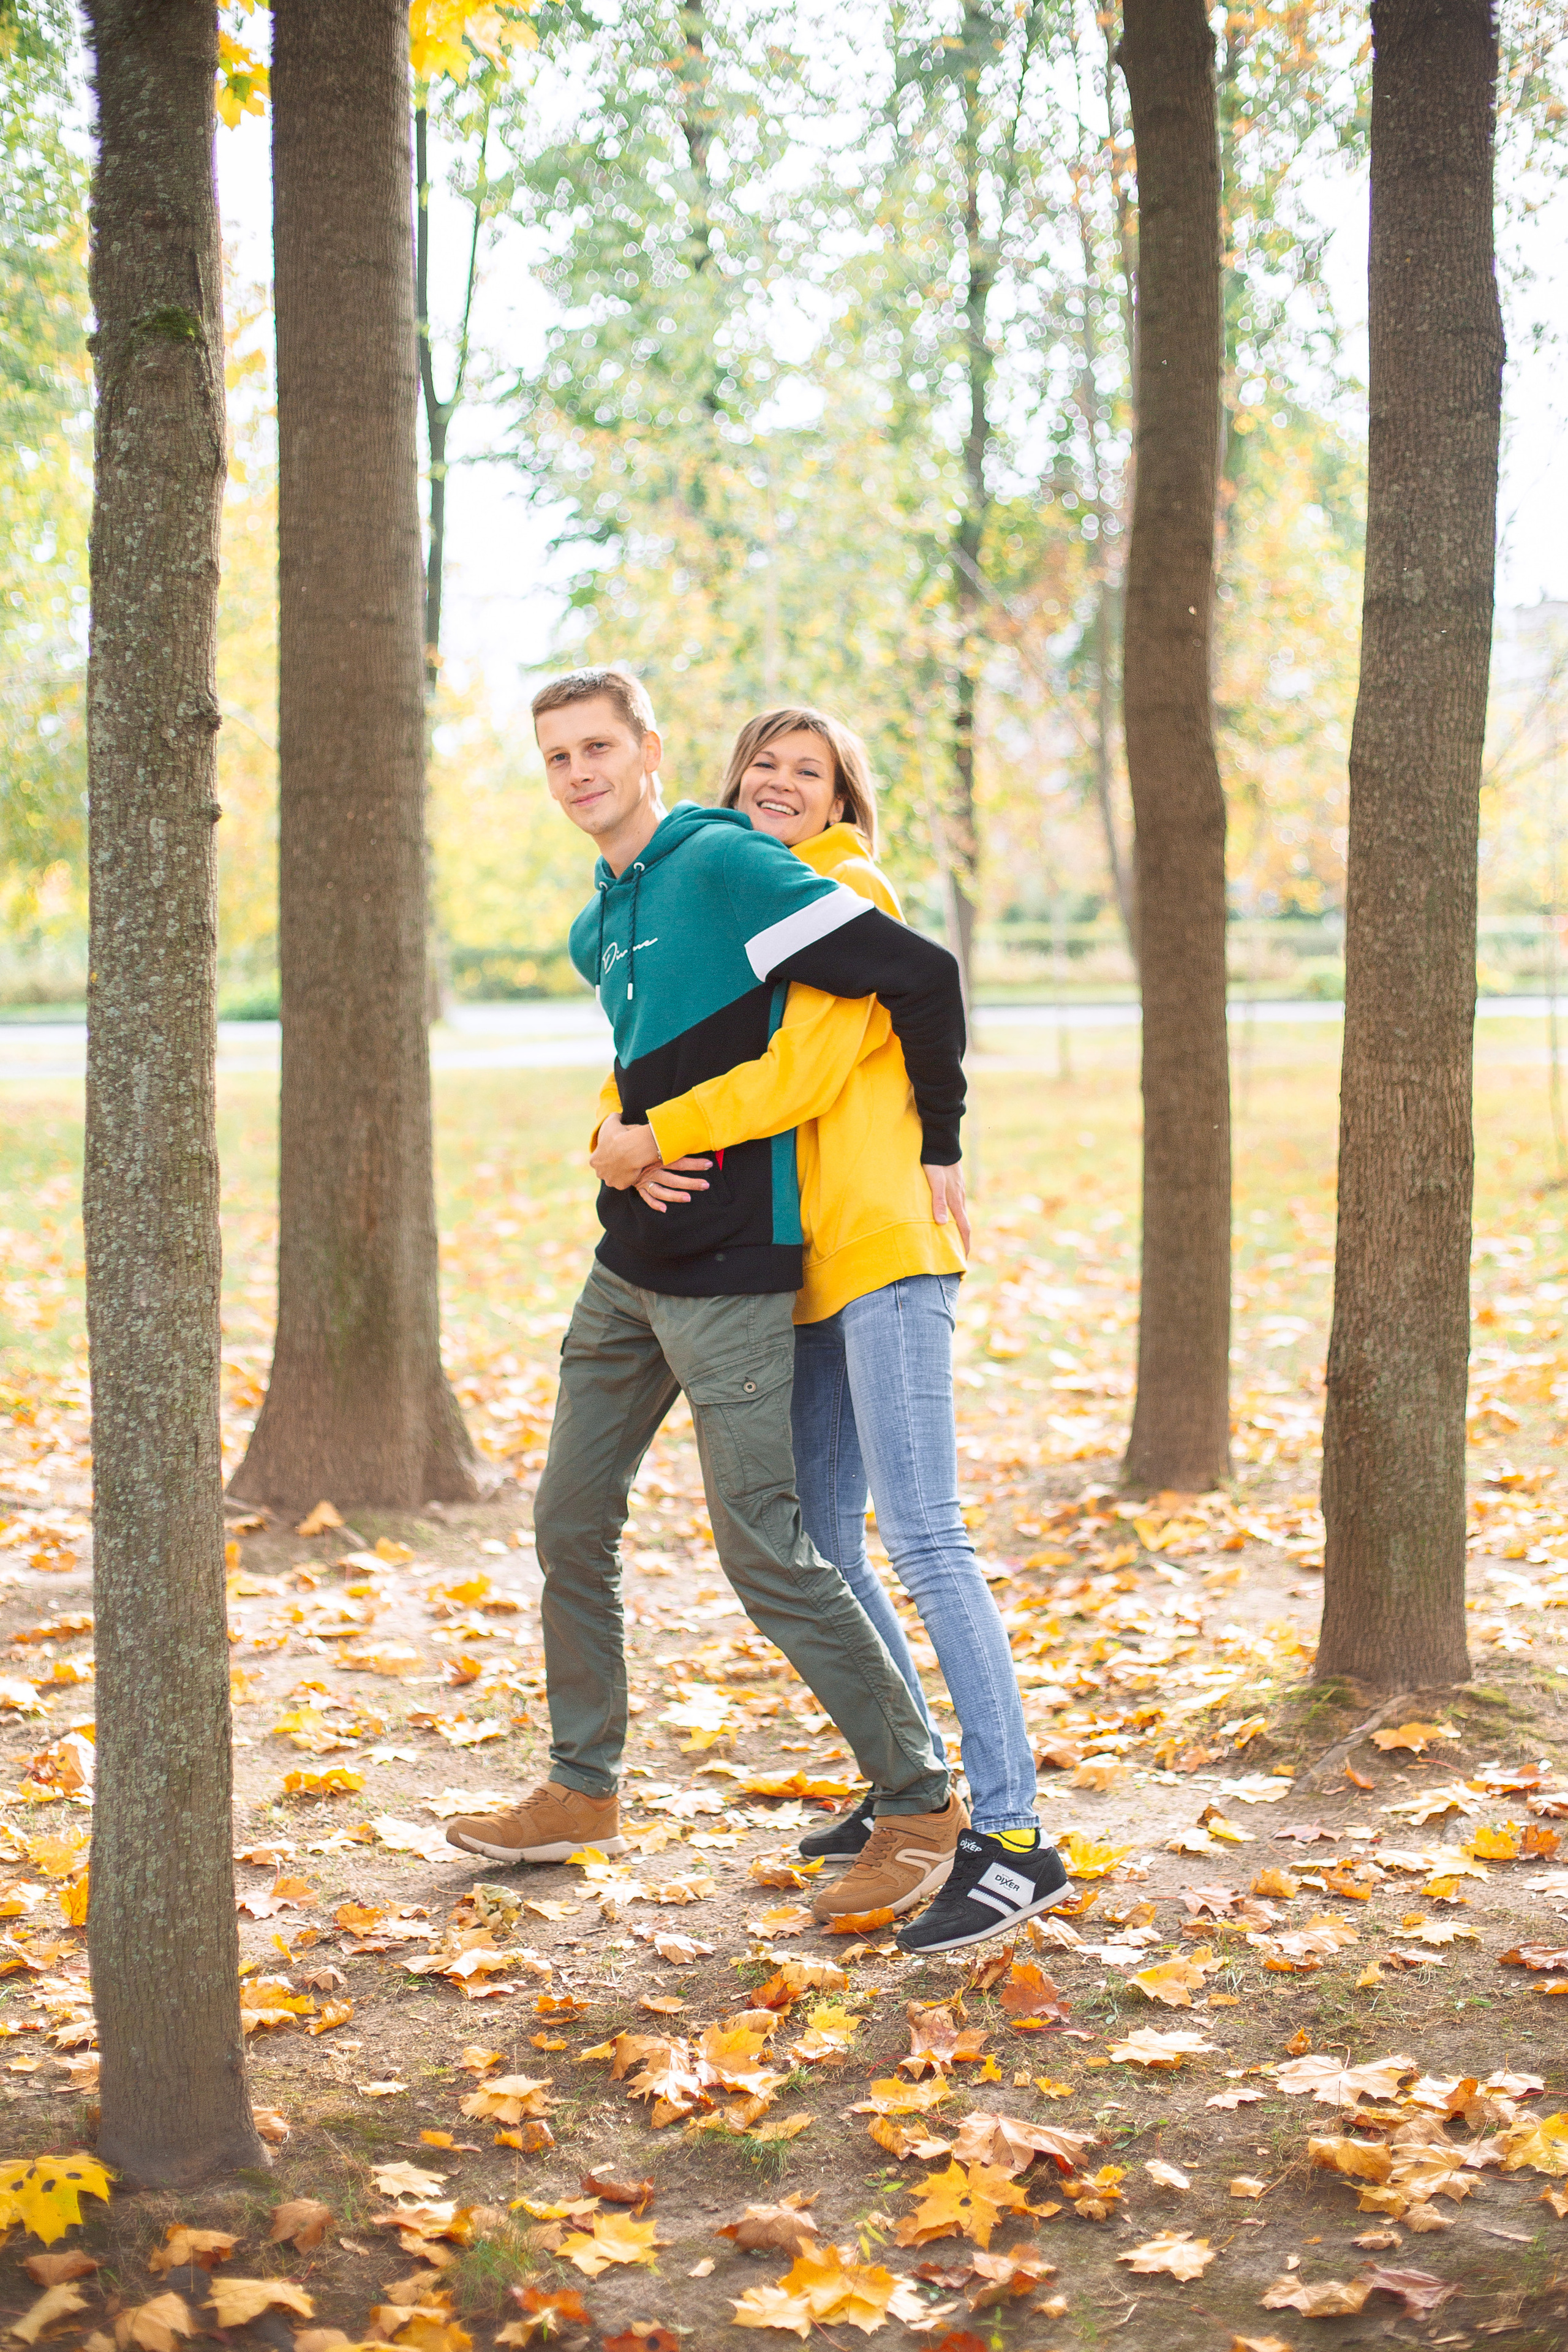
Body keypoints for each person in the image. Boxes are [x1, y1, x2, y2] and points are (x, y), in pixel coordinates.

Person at [446, 668, 968, 1901]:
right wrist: (609, 1141)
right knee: (569, 1518)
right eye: (557, 756)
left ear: (650, 751)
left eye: (598, 748)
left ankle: (919, 1805)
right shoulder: (603, 920)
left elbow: (917, 971)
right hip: (626, 1265)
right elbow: (631, 1063)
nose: (579, 773)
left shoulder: (730, 865)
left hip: (734, 1266)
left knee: (766, 1555)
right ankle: (582, 1784)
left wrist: (940, 1138)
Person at [590, 706, 1070, 1954]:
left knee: (925, 1538)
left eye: (810, 771)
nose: (781, 783)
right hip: (803, 1270)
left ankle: (1014, 1837)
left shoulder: (843, 894)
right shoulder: (747, 910)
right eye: (763, 765)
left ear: (844, 802)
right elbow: (656, 1041)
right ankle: (912, 1786)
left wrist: (654, 1134)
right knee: (820, 1538)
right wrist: (613, 1132)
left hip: (885, 1248)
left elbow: (800, 1077)